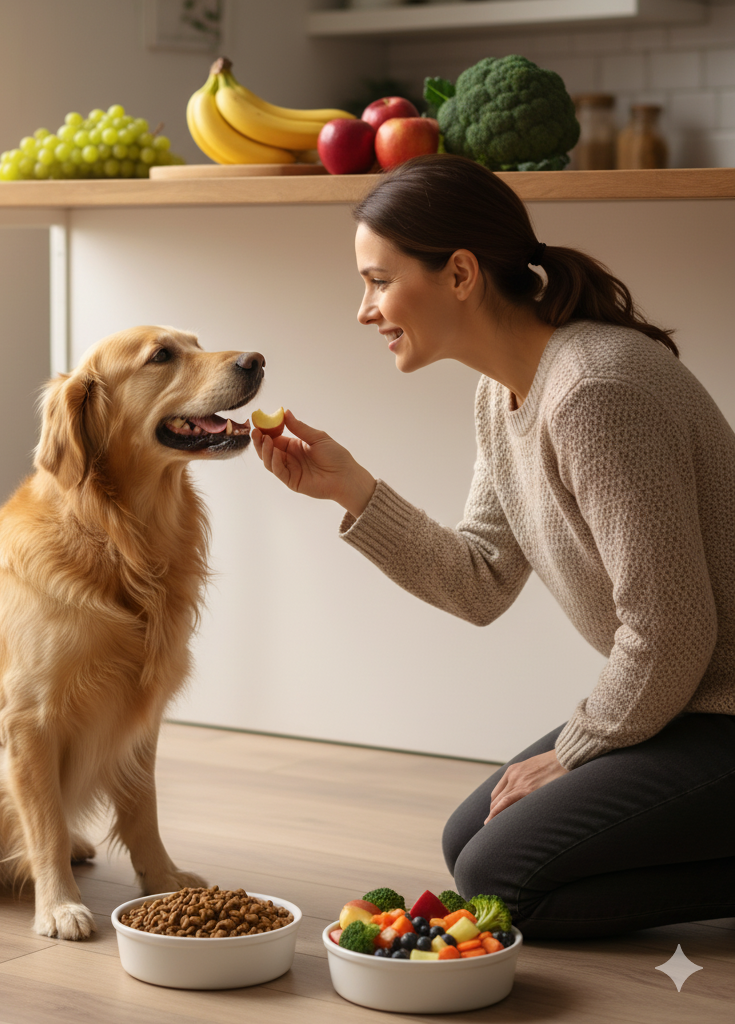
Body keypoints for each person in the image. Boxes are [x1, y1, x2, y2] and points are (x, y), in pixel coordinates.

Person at [252, 154, 735, 939]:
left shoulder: (594, 393)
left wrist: (575, 753)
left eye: (378, 280)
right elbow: (480, 582)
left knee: (497, 873)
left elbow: (674, 632)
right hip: (688, 701)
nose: (365, 309)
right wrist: (350, 489)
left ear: (461, 273)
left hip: (719, 706)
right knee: (466, 843)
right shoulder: (503, 390)